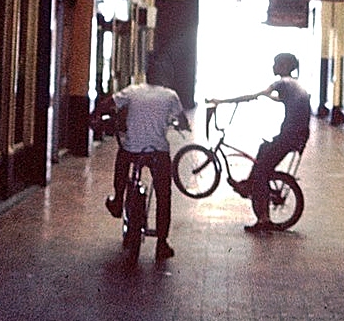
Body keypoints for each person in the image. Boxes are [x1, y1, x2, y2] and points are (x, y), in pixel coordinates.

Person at [96, 53, 189, 262]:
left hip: (133, 150)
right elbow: (182, 121)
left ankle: (118, 200)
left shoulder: (133, 90)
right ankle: (162, 243)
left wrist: (94, 116)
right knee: (164, 195)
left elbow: (108, 103)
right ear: (164, 77)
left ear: (147, 76)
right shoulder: (171, 96)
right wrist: (181, 125)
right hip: (157, 152)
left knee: (122, 158)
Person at [209, 52, 310, 233]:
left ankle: (263, 219)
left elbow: (252, 95)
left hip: (290, 135)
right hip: (296, 134)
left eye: (275, 63)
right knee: (264, 149)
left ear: (284, 66)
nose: (273, 66)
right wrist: (271, 98)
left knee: (262, 173)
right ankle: (248, 183)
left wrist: (222, 101)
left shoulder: (282, 82)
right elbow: (285, 99)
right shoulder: (294, 83)